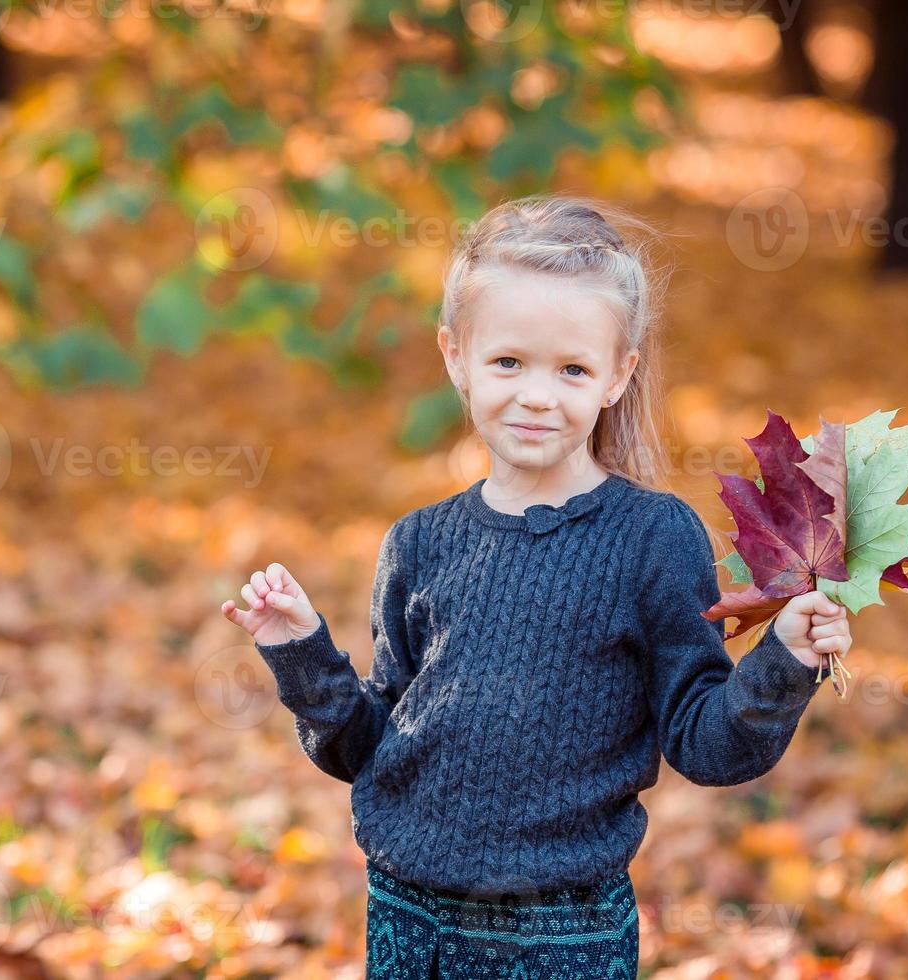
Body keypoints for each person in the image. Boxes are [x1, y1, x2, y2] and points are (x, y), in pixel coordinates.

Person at [219, 193, 852, 978]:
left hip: (565, 931)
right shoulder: (419, 543)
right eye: (508, 361)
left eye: (573, 368)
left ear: (618, 375)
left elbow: (706, 743)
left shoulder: (651, 539)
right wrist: (301, 654)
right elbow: (372, 748)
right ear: (455, 355)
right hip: (408, 918)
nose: (537, 395)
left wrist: (783, 665)